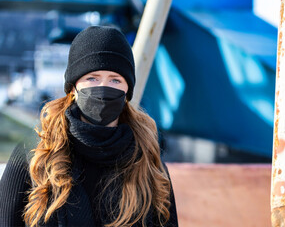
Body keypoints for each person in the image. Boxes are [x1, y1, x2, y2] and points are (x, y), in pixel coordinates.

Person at [0, 26, 178, 227]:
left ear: (128, 90)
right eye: (92, 78)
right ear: (73, 87)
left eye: (115, 80)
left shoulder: (147, 159)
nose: (103, 87)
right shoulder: (34, 153)